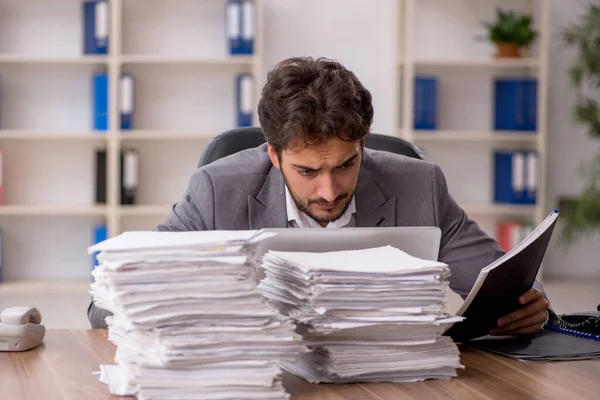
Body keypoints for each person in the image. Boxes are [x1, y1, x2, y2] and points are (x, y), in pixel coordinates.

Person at [88, 57, 550, 334]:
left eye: (345, 165)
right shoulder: (216, 190)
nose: (329, 191)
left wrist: (528, 306)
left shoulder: (420, 185)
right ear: (273, 154)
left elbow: (504, 282)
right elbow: (109, 303)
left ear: (362, 145)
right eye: (307, 171)